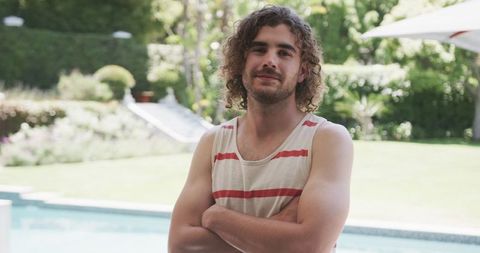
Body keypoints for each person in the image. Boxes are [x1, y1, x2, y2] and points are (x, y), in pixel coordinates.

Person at [168, 5, 353, 253]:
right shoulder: (213, 143)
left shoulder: (326, 140)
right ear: (241, 63)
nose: (269, 61)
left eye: (285, 53)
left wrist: (217, 218)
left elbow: (310, 245)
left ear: (303, 72)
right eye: (259, 49)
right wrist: (276, 236)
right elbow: (180, 244)